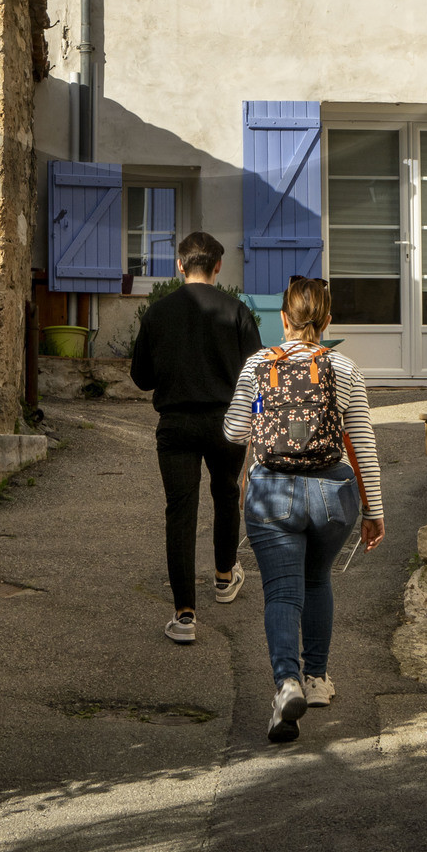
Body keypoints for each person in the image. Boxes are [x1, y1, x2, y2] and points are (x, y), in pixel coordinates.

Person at [223, 273, 384, 743]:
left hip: (272, 493)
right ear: (328, 320)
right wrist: (374, 511)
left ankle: (286, 683)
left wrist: (266, 423)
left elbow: (234, 432)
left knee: (282, 593)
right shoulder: (347, 369)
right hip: (332, 497)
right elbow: (363, 444)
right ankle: (316, 679)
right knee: (318, 580)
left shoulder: (258, 363)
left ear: (283, 318)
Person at [130, 228, 263, 643]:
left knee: (180, 510)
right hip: (227, 421)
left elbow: (141, 378)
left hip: (176, 425)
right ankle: (224, 577)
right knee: (226, 494)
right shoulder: (238, 311)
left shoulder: (157, 313)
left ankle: (185, 614)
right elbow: (255, 374)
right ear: (218, 266)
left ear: (180, 266)